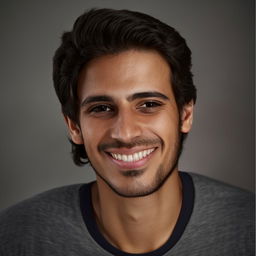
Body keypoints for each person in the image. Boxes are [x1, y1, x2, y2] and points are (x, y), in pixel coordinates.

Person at [0, 8, 254, 256]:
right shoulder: (12, 237)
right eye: (101, 108)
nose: (125, 133)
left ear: (185, 115)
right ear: (74, 127)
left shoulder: (248, 227)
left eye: (149, 105)